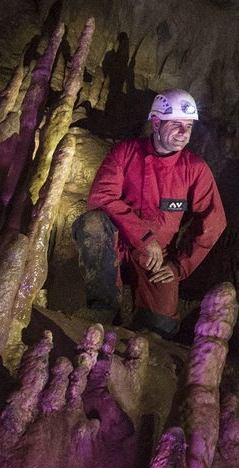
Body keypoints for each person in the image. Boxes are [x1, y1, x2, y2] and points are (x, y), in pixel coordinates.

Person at [74, 88, 226, 337]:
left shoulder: (195, 170)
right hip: (118, 241)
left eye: (188, 126)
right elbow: (101, 197)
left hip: (159, 257)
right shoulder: (125, 153)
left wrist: (180, 266)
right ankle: (103, 308)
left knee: (160, 328)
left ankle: (137, 328)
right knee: (92, 223)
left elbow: (214, 222)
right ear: (156, 122)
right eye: (176, 124)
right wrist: (144, 237)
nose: (183, 132)